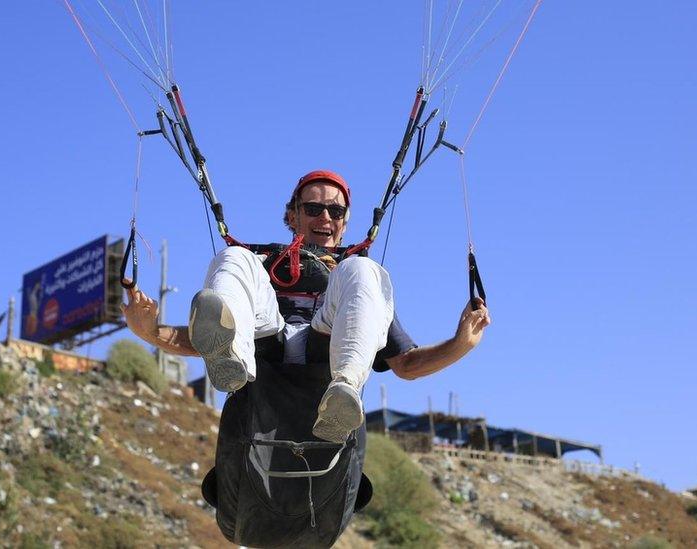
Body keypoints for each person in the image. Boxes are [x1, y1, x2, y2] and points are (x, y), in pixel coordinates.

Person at [121, 169, 491, 443]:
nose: (325, 218)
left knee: (363, 268)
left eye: (336, 211)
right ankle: (229, 361)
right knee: (233, 257)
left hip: (326, 352)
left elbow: (406, 365)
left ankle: (344, 390)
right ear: (292, 216)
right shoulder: (266, 262)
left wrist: (461, 344)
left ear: (345, 223)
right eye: (313, 209)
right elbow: (207, 330)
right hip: (267, 344)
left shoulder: (355, 282)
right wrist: (149, 332)